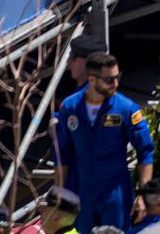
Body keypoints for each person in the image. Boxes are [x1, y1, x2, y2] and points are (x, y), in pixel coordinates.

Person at [53, 50, 153, 232]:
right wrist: (59, 193)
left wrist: (144, 194)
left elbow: (145, 151)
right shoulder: (70, 107)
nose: (115, 83)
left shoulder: (126, 109)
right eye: (109, 80)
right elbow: (62, 152)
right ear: (91, 80)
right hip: (82, 193)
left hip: (115, 194)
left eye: (117, 77)